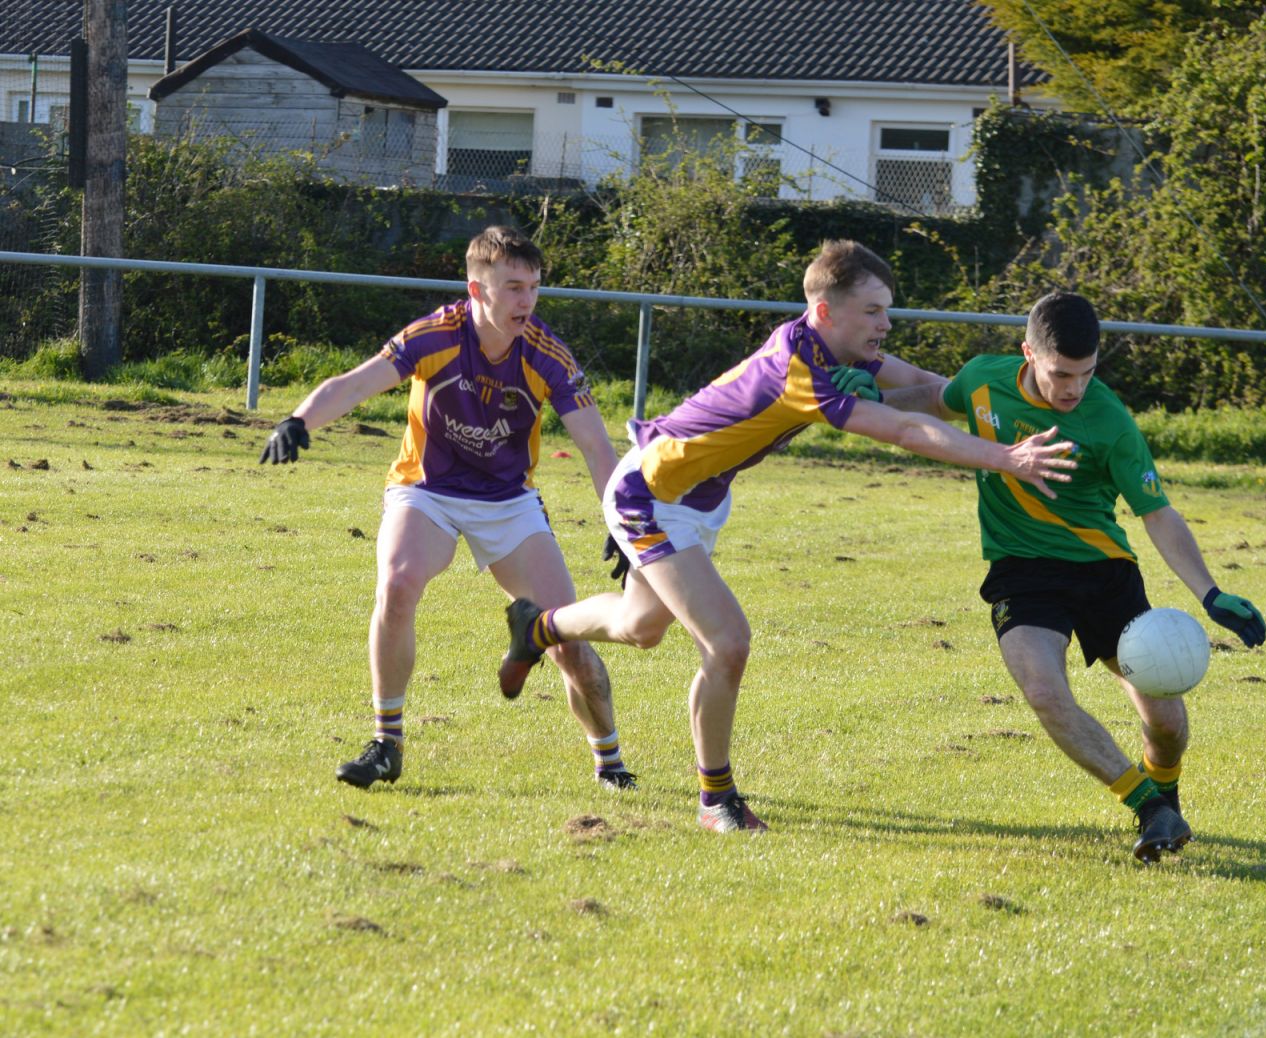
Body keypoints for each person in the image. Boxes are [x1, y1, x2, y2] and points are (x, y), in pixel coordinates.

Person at [496, 240, 1079, 833]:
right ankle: (715, 798)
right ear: (826, 311)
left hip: (701, 500)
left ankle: (538, 626)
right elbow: (905, 429)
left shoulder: (835, 351)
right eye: (873, 310)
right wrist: (1006, 457)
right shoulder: (800, 368)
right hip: (648, 495)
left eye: (888, 309)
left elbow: (936, 392)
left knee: (640, 629)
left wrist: (1022, 389)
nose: (887, 322)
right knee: (728, 644)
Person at [833, 290, 1266, 862]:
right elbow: (939, 399)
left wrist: (1209, 592)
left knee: (1165, 723)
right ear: (1028, 354)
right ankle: (1148, 807)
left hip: (1104, 572)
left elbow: (1157, 514)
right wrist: (876, 400)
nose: (1074, 388)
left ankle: (1165, 786)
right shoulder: (985, 379)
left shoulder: (1109, 421)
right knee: (1042, 688)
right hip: (1022, 572)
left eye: (1086, 374)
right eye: (1062, 373)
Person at [259, 225, 636, 791]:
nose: (526, 301)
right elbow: (356, 384)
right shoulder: (434, 335)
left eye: (533, 287)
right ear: (477, 289)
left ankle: (609, 760)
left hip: (508, 502)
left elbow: (596, 445)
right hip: (426, 490)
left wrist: (621, 521)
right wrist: (298, 419)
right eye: (512, 287)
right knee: (398, 582)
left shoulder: (546, 353)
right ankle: (387, 742)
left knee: (569, 645)